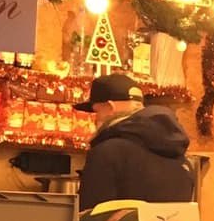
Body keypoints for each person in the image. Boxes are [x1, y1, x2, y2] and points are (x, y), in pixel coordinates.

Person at [76, 73, 194, 210]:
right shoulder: (178, 153)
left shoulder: (107, 152)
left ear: (110, 107)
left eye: (96, 112)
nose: (95, 120)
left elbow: (89, 216)